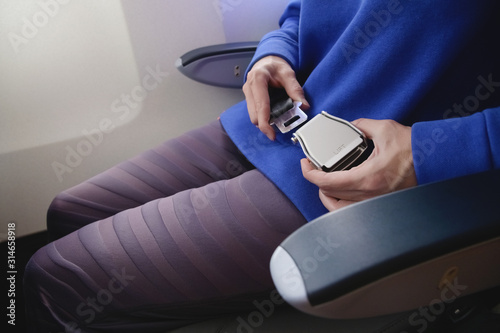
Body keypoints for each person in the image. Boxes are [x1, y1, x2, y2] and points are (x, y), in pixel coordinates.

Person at [24, 0, 500, 332]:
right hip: (281, 118)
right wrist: (275, 50)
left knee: (55, 277)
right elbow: (309, 10)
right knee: (67, 211)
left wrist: (436, 151)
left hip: (375, 173)